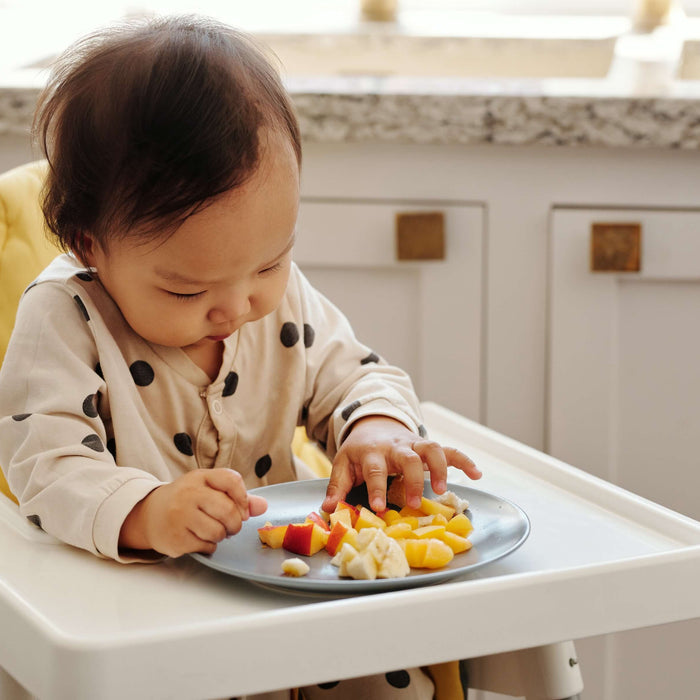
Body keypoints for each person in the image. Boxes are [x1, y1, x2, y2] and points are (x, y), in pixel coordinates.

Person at [0, 15, 481, 699]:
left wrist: (376, 427)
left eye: (270, 263)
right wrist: (147, 512)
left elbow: (353, 373)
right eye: (187, 288)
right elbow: (46, 467)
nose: (236, 308)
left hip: (290, 600)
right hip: (139, 621)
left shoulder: (273, 299)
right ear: (89, 246)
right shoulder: (63, 320)